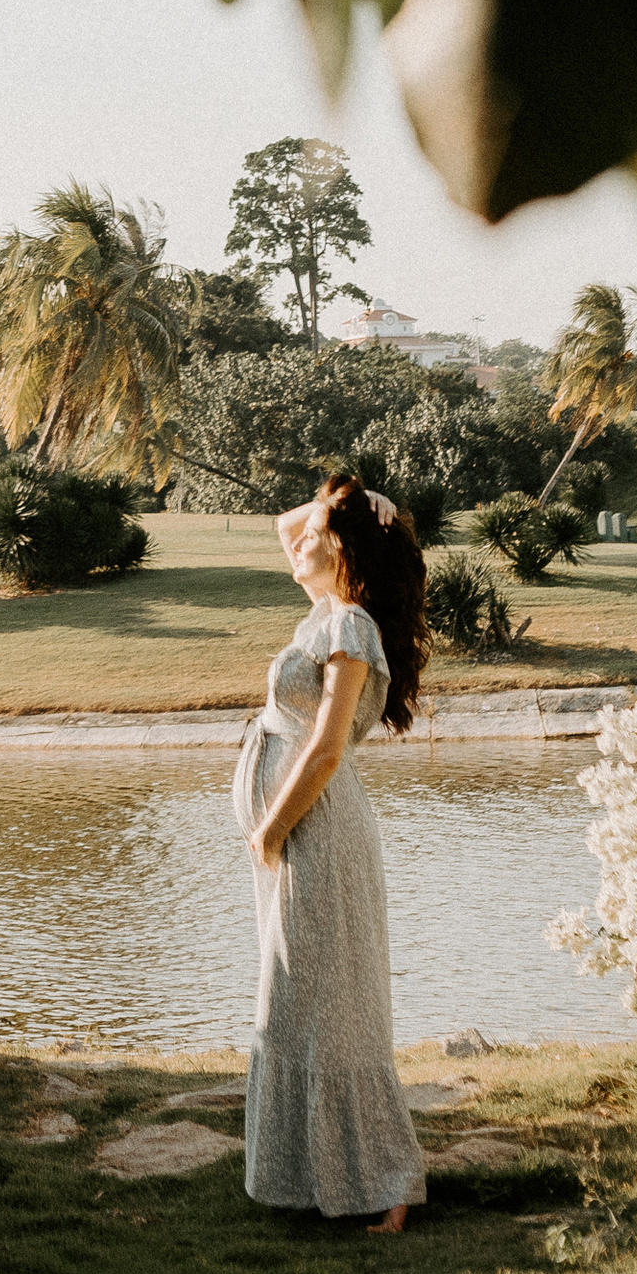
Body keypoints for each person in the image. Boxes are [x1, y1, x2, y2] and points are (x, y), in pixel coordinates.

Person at [234, 473, 428, 1231]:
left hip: (317, 828)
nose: (300, 540)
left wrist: (272, 828)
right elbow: (287, 528)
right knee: (298, 1001)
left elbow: (325, 748)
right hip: (300, 830)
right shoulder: (326, 615)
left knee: (334, 1006)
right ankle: (317, 1181)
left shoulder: (348, 624)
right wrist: (350, 503)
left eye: (320, 533)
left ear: (343, 549)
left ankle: (387, 1183)